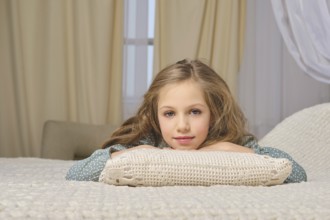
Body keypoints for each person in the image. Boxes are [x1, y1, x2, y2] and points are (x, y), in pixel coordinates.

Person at [65, 59, 307, 183]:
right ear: (156, 115)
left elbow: (297, 173)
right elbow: (76, 173)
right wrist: (138, 151)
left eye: (195, 112)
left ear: (214, 111)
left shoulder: (230, 143)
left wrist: (231, 148)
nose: (182, 126)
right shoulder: (151, 139)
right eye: (169, 114)